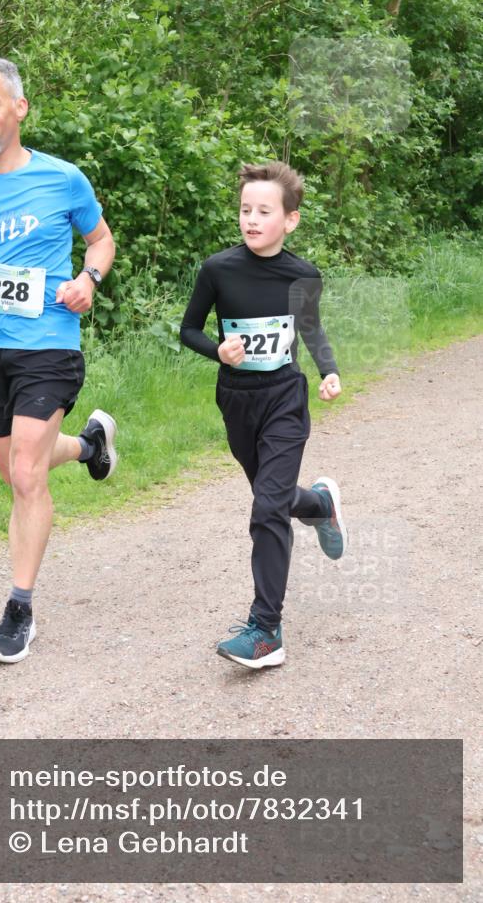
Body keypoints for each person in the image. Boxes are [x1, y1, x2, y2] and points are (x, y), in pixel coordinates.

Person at [0, 56, 117, 665]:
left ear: (19, 108)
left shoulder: (63, 179)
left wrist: (88, 279)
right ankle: (88, 447)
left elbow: (101, 240)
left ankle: (19, 609)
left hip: (51, 344)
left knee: (28, 476)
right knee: (14, 471)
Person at [180, 161, 347, 669]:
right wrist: (217, 351)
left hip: (284, 398)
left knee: (267, 508)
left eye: (264, 211)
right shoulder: (218, 270)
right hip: (236, 400)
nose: (251, 219)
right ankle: (318, 504)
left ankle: (266, 629)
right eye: (245, 210)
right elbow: (188, 330)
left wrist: (328, 370)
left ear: (290, 220)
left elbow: (310, 327)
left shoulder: (303, 275)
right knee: (271, 498)